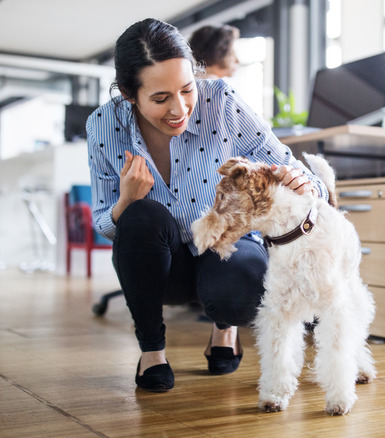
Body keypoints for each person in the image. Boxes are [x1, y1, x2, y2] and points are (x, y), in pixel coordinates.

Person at [85, 18, 328, 392]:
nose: (180, 108)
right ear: (130, 96)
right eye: (161, 98)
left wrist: (305, 184)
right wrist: (125, 200)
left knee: (242, 289)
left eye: (187, 89)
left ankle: (224, 328)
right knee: (140, 218)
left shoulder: (221, 100)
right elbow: (105, 222)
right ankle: (152, 352)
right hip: (164, 265)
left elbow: (288, 164)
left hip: (224, 244)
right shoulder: (104, 126)